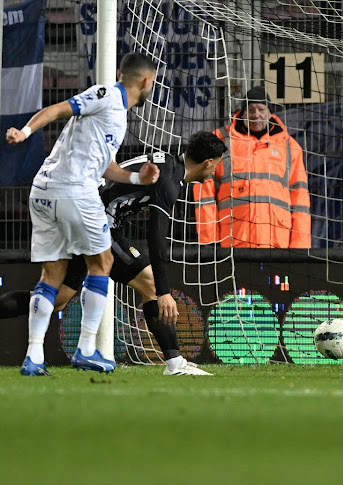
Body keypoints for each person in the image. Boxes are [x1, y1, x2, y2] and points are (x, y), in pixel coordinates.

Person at [0, 132, 227, 375]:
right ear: (208, 162)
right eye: (217, 164)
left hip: (81, 217)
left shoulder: (168, 165)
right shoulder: (169, 181)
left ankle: (172, 362)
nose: (215, 171)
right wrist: (163, 292)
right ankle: (175, 364)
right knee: (150, 284)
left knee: (57, 299)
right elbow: (156, 238)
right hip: (95, 221)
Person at [5, 52, 157, 376]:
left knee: (52, 277)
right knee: (102, 262)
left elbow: (103, 166)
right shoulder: (106, 95)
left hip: (44, 192)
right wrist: (25, 132)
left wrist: (136, 179)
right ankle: (86, 349)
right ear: (146, 81)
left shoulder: (116, 113)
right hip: (73, 190)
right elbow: (58, 109)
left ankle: (33, 357)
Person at [193, 86, 311, 248]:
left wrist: (300, 246)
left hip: (277, 244)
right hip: (233, 243)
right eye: (251, 109)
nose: (256, 114)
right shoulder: (220, 140)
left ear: (270, 113)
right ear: (242, 113)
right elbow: (204, 192)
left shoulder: (289, 147)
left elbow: (300, 198)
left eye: (261, 109)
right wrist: (209, 240)